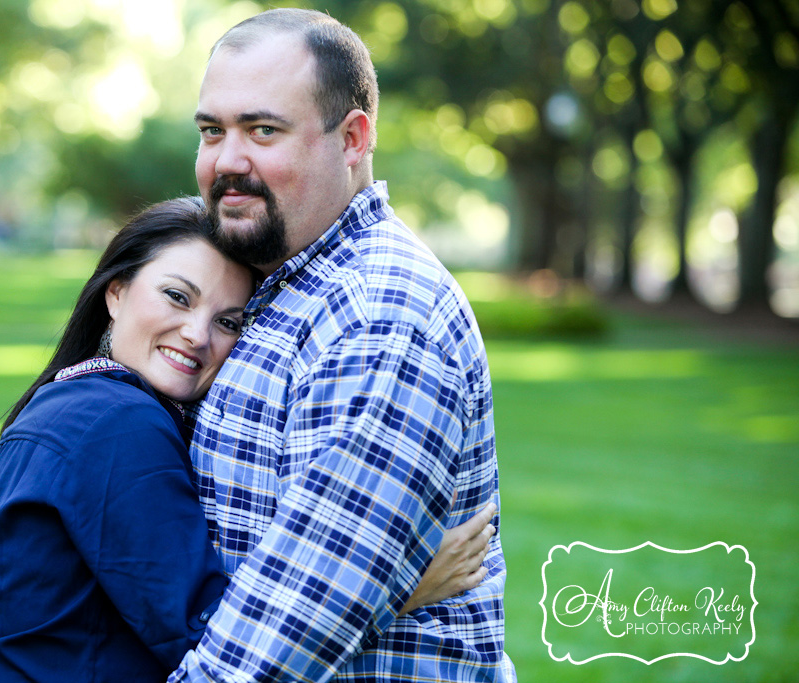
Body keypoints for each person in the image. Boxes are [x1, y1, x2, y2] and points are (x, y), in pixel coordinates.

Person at [0, 197, 497, 682]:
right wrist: (399, 586)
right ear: (115, 292)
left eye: (229, 321)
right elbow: (213, 637)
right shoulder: (118, 426)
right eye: (177, 297)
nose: (197, 334)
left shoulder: (66, 404)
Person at [170, 8, 515, 682]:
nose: (227, 161)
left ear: (353, 138)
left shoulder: (380, 317)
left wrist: (364, 595)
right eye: (213, 131)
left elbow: (278, 646)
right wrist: (393, 589)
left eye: (263, 129)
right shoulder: (268, 284)